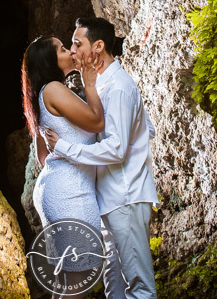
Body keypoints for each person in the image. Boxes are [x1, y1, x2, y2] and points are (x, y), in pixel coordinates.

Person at [44, 17, 159, 299]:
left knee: (139, 286)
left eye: (77, 43)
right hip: (109, 199)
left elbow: (117, 149)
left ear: (98, 46)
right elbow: (148, 128)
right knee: (114, 285)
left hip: (126, 195)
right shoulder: (101, 86)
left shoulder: (118, 86)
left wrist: (65, 148)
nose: (72, 50)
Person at [21, 34, 106, 298]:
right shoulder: (54, 90)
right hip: (70, 192)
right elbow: (96, 122)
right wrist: (90, 84)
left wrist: (66, 152)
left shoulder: (45, 94)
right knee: (80, 277)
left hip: (55, 188)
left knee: (68, 280)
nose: (70, 51)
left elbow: (43, 157)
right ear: (50, 61)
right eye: (61, 49)